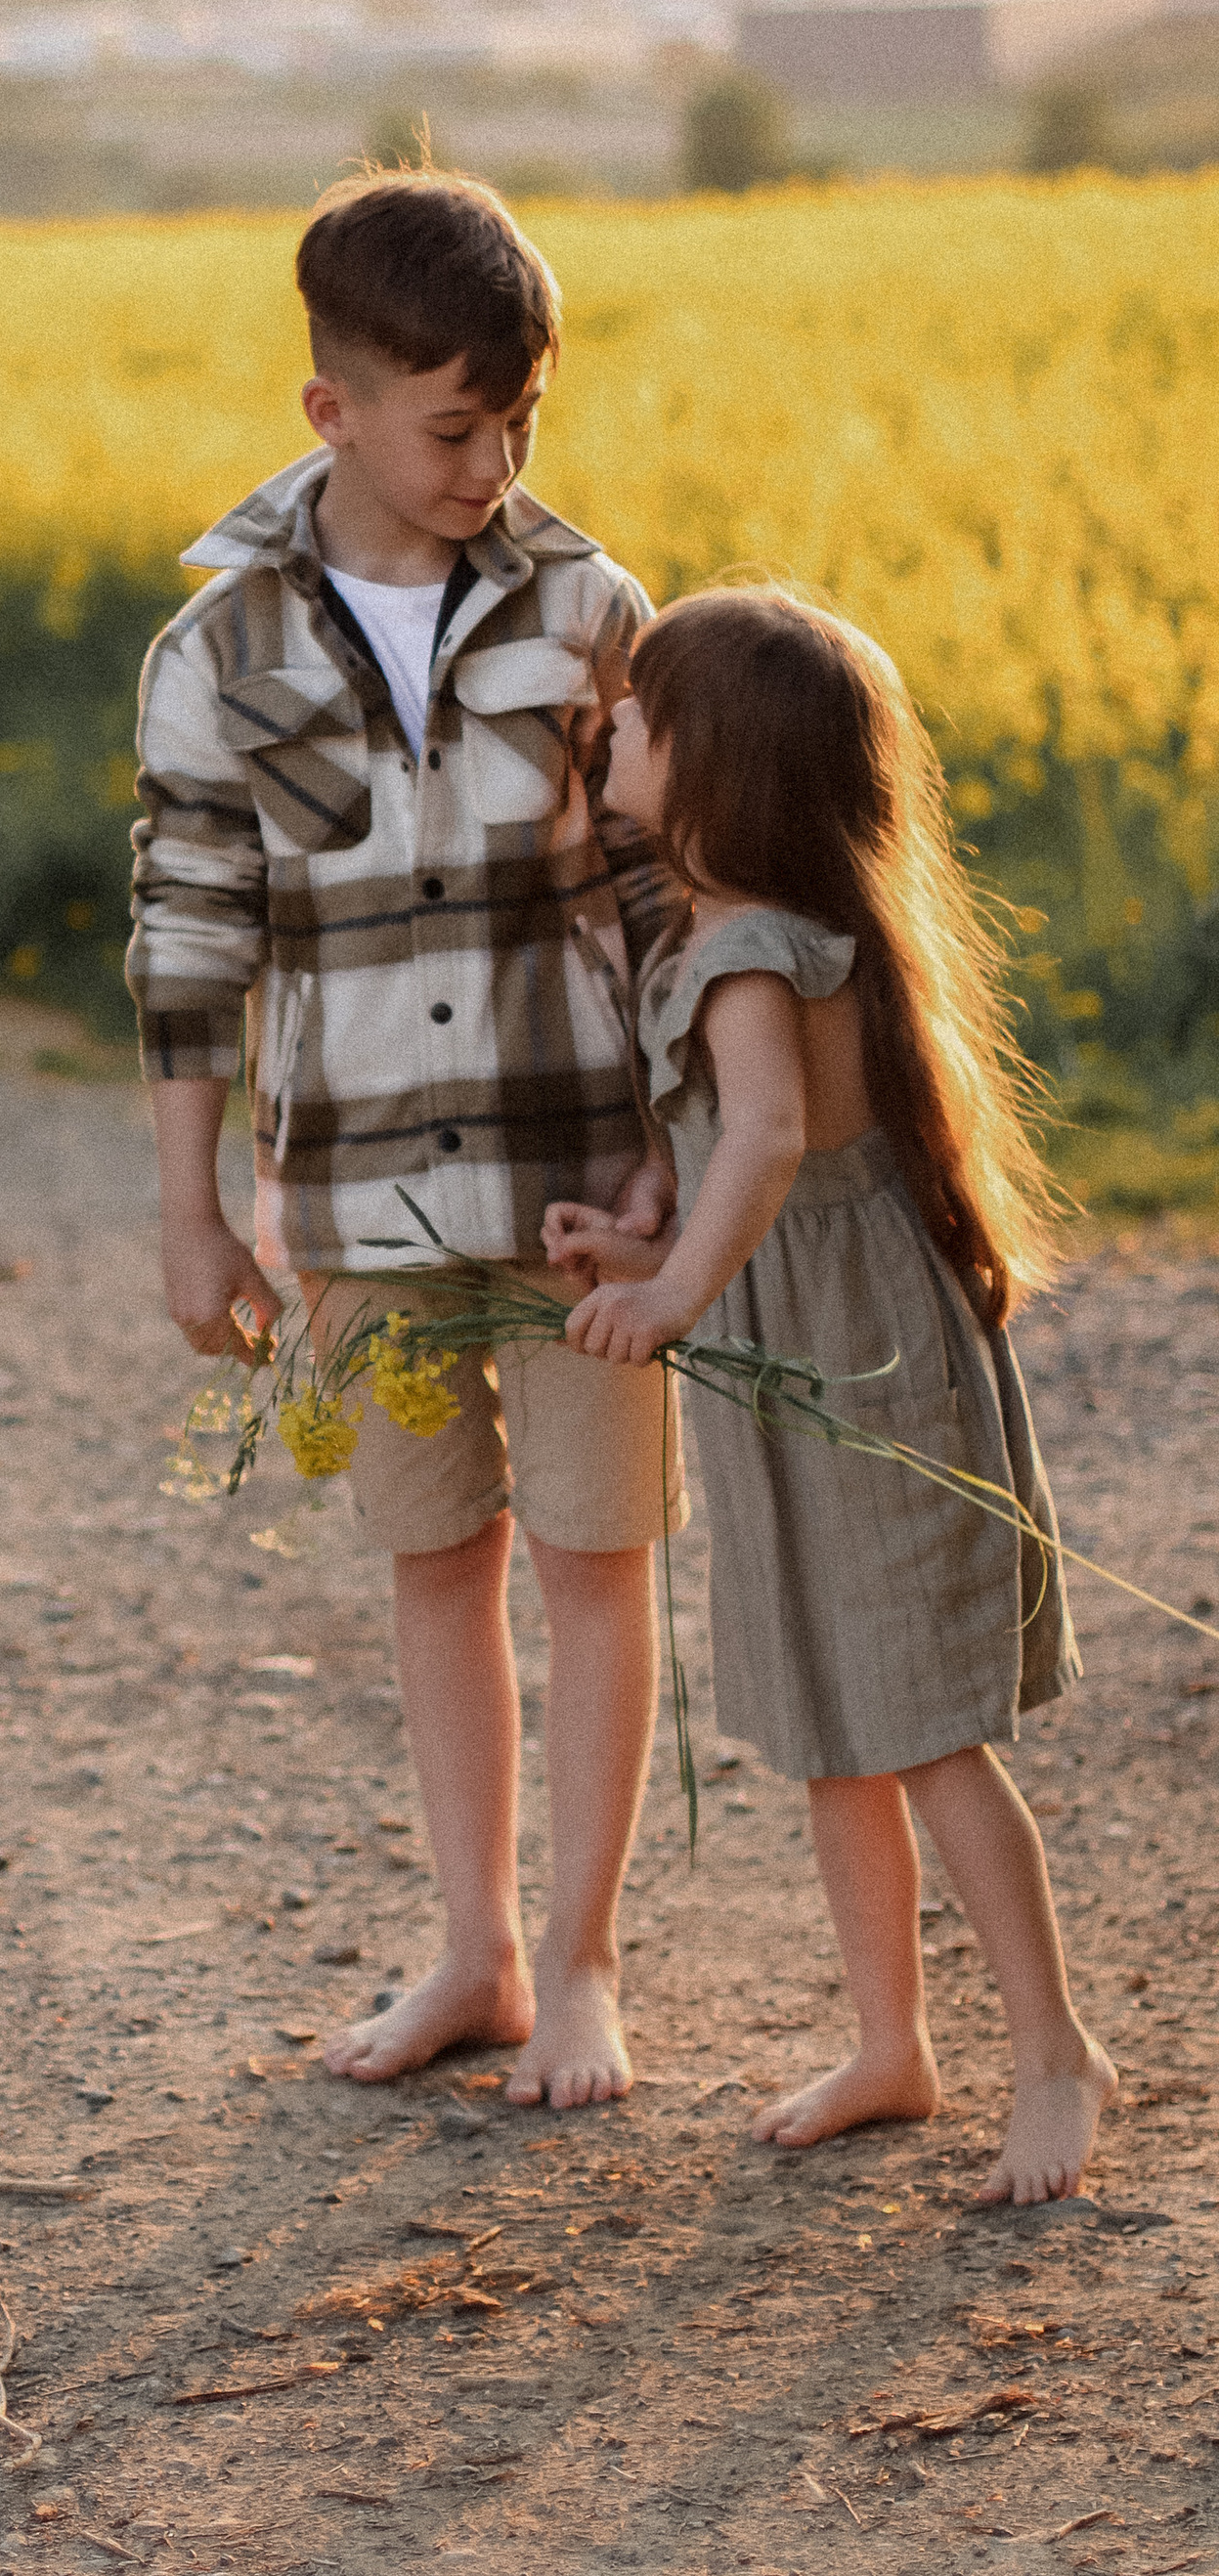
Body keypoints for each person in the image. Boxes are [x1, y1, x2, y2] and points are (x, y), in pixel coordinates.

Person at [127, 168, 682, 2112]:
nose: (491, 462)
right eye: (454, 426)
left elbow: (655, 896)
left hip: (581, 1187)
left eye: (519, 422)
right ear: (332, 412)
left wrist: (672, 1164)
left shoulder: (590, 607)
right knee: (431, 1561)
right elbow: (190, 940)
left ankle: (590, 1965)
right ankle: (479, 1953)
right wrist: (193, 1212)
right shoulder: (214, 652)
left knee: (596, 1559)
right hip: (354, 1198)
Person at [546, 587, 1110, 2205]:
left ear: (718, 769)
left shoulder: (746, 951)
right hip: (802, 1349)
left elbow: (773, 1140)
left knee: (926, 1729)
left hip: (851, 1359)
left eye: (640, 716)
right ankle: (892, 2042)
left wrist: (669, 1295)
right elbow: (730, 1152)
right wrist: (636, 1230)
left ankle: (1057, 2052)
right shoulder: (732, 939)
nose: (612, 731)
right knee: (833, 1723)